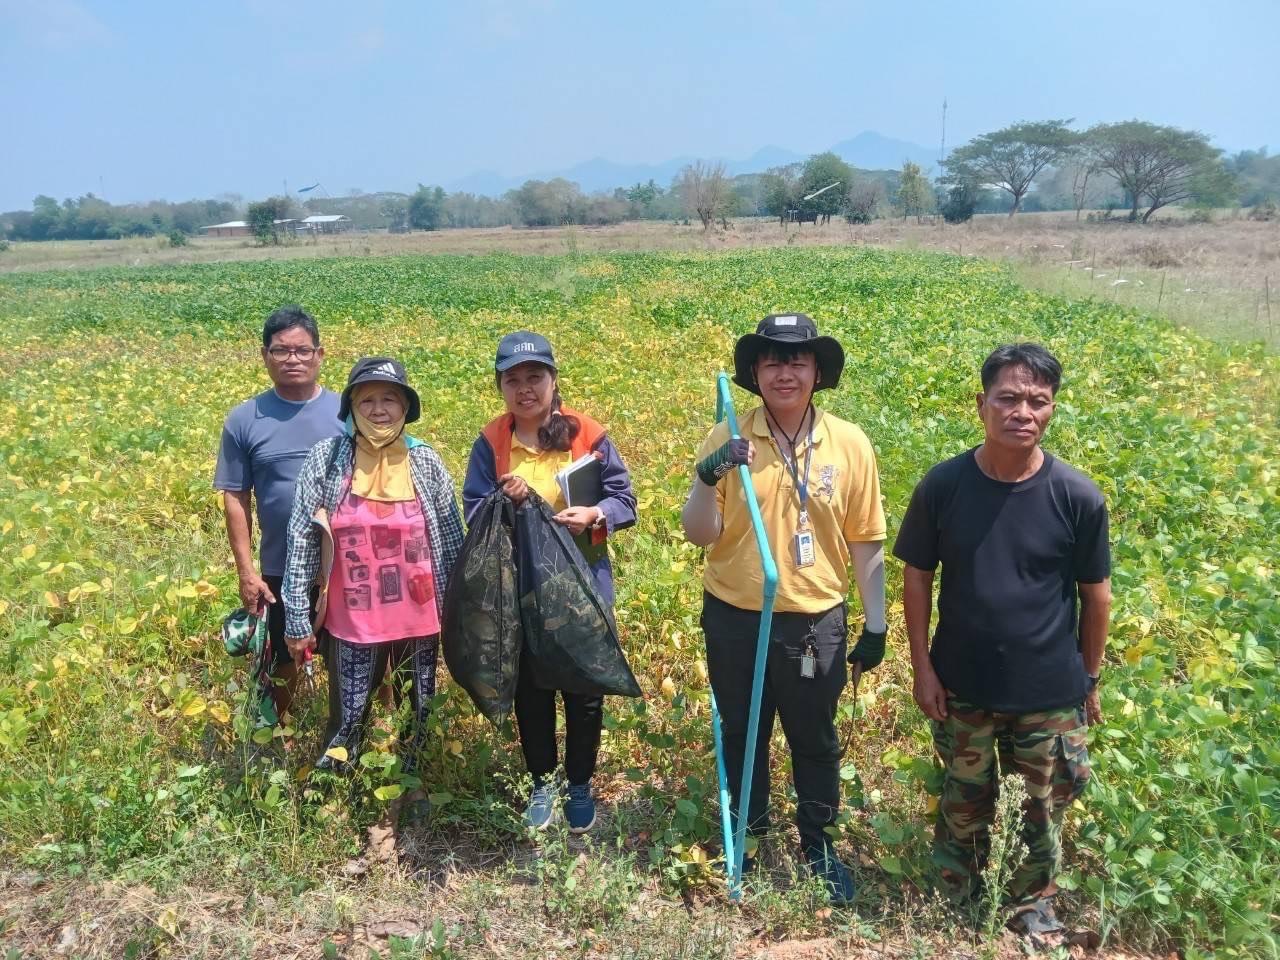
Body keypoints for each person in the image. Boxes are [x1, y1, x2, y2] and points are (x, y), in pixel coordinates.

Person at [893, 343, 1111, 938]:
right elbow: (917, 574)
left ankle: (1030, 904)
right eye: (1009, 398)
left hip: (1048, 691)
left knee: (1041, 808)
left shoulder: (1077, 496)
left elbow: (1097, 598)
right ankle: (955, 895)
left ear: (1052, 410)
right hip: (962, 683)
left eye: (1038, 402)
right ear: (982, 404)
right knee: (964, 799)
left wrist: (1087, 681)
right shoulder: (945, 485)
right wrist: (923, 669)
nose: (1024, 412)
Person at [681, 313, 888, 905]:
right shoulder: (728, 436)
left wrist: (874, 626)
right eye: (772, 360)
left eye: (797, 360)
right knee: (742, 730)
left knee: (814, 736)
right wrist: (706, 477)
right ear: (755, 372)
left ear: (817, 371)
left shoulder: (849, 443)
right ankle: (748, 834)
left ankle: (819, 843)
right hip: (734, 615)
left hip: (813, 621)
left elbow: (866, 539)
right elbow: (700, 533)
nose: (785, 372)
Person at [462, 331, 636, 833]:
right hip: (521, 588)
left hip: (583, 583)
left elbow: (625, 501)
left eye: (534, 377)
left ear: (553, 380)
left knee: (584, 688)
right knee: (531, 690)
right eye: (512, 380)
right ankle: (542, 782)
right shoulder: (491, 441)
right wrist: (506, 502)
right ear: (500, 387)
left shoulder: (589, 434)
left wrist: (595, 512)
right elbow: (474, 509)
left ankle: (580, 784)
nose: (524, 389)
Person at [282, 357, 463, 788]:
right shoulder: (328, 460)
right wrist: (296, 617)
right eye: (367, 401)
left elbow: (453, 541)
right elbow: (301, 541)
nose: (379, 410)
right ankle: (336, 792)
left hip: (420, 619)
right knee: (348, 712)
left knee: (418, 708)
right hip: (353, 619)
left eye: (390, 400)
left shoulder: (425, 461)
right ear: (351, 408)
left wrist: (461, 614)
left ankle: (413, 788)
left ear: (405, 409)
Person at [213, 305, 342, 718]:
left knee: (360, 655)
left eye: (302, 351)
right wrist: (247, 572)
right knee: (282, 655)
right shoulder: (244, 419)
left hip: (344, 562)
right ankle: (282, 735)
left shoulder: (348, 413)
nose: (293, 360)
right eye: (281, 351)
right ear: (264, 356)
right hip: (279, 565)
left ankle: (370, 734)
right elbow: (236, 497)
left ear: (320, 354)